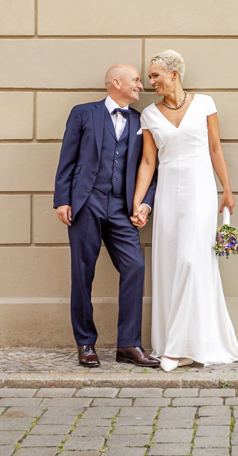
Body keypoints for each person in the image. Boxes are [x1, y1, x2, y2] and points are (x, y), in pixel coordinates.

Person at [132, 49, 238, 371]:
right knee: (170, 263)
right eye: (149, 76)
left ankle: (181, 348)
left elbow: (215, 149)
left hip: (200, 190)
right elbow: (147, 162)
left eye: (155, 75)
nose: (149, 82)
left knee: (191, 259)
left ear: (174, 74)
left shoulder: (205, 104)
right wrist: (139, 202)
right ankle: (177, 342)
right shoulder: (149, 115)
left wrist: (227, 189)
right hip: (169, 193)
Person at [53, 64, 160, 369]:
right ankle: (85, 342)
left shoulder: (142, 120)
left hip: (122, 208)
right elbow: (67, 157)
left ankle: (128, 344)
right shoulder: (83, 113)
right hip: (86, 203)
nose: (141, 85)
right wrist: (63, 199)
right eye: (136, 80)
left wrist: (146, 204)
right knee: (83, 273)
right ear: (117, 83)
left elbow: (151, 168)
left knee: (135, 266)